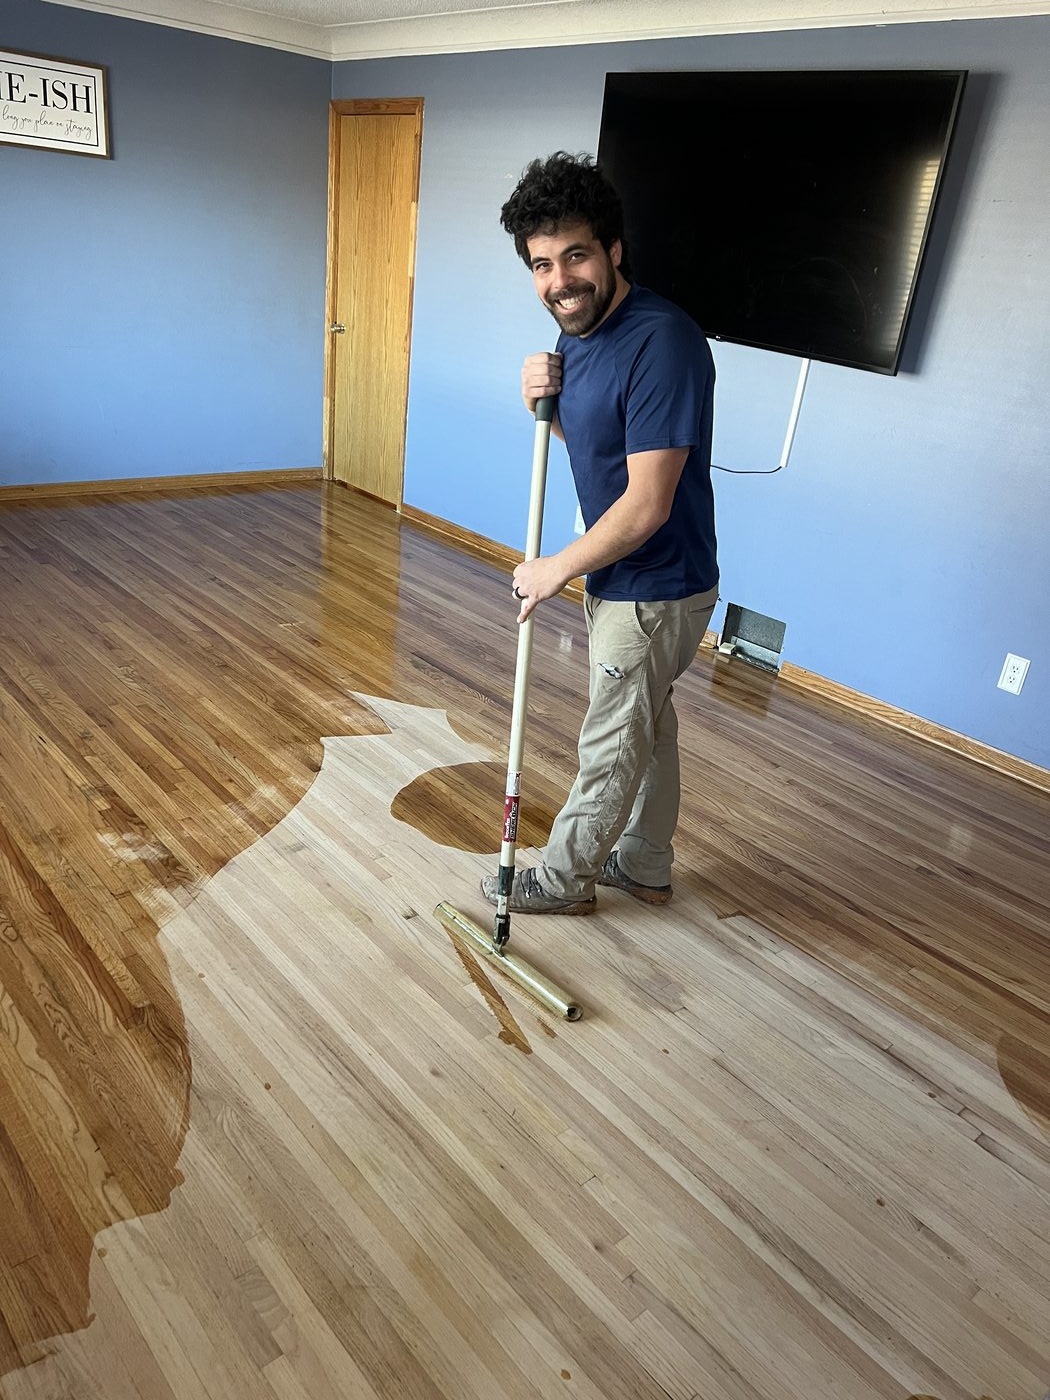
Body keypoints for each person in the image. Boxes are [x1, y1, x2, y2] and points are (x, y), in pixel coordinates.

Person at [481, 151, 718, 916]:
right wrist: (539, 405)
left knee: (613, 740)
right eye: (541, 264)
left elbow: (646, 503)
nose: (559, 281)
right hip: (623, 577)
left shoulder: (663, 342)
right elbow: (598, 447)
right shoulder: (579, 335)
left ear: (613, 251)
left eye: (575, 255)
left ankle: (562, 877)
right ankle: (645, 863)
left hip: (655, 584)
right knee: (647, 728)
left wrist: (556, 568)